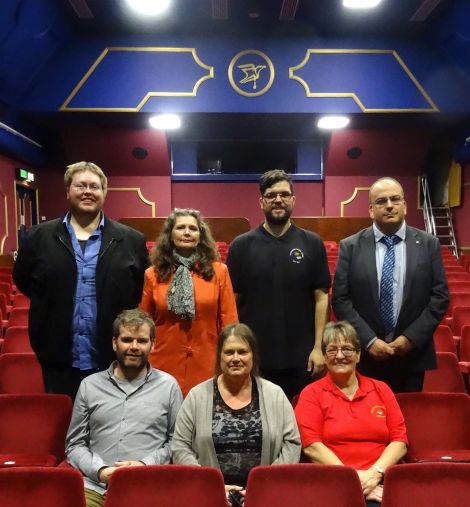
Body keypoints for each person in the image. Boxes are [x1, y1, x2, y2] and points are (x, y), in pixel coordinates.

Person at [13, 161, 148, 399]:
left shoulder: (131, 240)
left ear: (104, 193)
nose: (88, 191)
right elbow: (24, 280)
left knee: (110, 429)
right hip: (57, 357)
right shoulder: (38, 237)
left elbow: (138, 290)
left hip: (113, 357)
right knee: (63, 428)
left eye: (94, 187)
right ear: (68, 191)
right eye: (81, 186)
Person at [332, 177, 449, 392]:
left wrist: (411, 338)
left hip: (412, 356)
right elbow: (340, 299)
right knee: (368, 423)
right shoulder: (350, 246)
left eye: (395, 199)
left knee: (408, 421)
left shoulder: (428, 243)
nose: (389, 205)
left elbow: (439, 297)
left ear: (404, 206)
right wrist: (368, 341)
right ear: (371, 209)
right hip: (366, 357)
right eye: (381, 201)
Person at [226, 169, 330, 400]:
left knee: (299, 423)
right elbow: (232, 302)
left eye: (284, 194)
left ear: (293, 199)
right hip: (255, 356)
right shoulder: (241, 246)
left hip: (302, 357)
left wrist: (318, 347)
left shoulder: (312, 243)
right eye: (271, 195)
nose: (278, 200)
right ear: (261, 201)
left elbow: (321, 297)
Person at [172, 323, 301, 504]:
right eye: (229, 352)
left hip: (266, 496)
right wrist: (210, 486)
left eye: (242, 352)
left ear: (253, 356)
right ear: (219, 356)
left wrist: (264, 486)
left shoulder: (275, 394)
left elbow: (292, 443)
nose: (235, 358)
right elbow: (180, 446)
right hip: (209, 496)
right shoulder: (197, 396)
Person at [66, 308, 183, 507]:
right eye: (127, 340)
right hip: (95, 488)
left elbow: (177, 443)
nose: (134, 347)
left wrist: (144, 465)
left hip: (148, 486)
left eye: (142, 341)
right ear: (114, 343)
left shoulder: (168, 386)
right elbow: (75, 445)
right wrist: (101, 471)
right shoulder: (90, 385)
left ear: (152, 345)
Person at [295, 321, 407, 506]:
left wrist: (374, 474)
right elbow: (312, 447)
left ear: (358, 355)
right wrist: (353, 479)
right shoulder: (311, 394)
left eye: (347, 349)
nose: (340, 356)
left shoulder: (381, 389)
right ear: (324, 355)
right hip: (332, 482)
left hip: (379, 481)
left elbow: (400, 441)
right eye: (332, 350)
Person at [140, 208, 238, 397]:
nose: (187, 232)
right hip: (162, 362)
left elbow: (229, 321)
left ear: (200, 236)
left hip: (206, 362)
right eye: (181, 228)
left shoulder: (219, 272)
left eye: (193, 228)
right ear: (170, 235)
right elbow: (144, 323)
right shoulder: (152, 274)